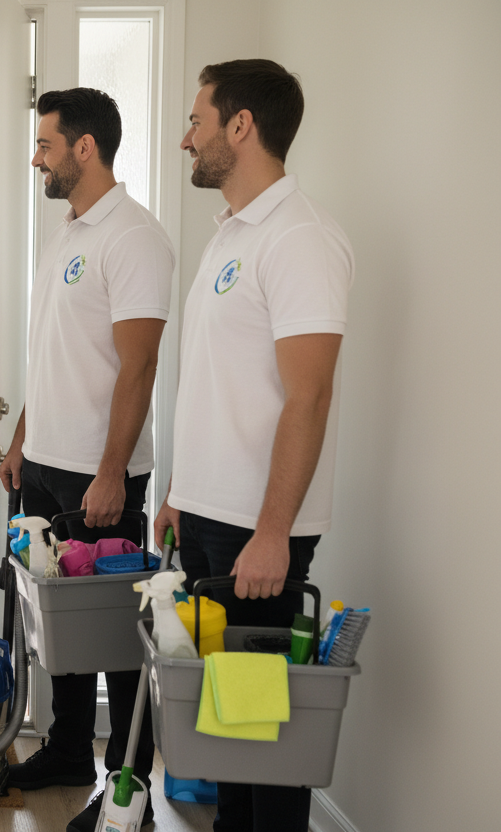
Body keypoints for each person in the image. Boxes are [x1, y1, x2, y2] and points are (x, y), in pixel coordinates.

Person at [154, 60, 354, 832]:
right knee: (224, 732)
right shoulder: (231, 235)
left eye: (198, 121)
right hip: (210, 518)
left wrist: (273, 532)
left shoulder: (300, 238)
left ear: (241, 127)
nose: (186, 138)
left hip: (256, 534)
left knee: (267, 742)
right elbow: (216, 382)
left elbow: (310, 395)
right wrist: (178, 490)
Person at [0, 88, 174, 832]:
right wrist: (22, 440)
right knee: (57, 628)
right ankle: (69, 749)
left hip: (97, 475)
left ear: (85, 148)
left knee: (113, 636)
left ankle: (126, 785)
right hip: (43, 464)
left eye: (45, 144)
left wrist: (111, 472)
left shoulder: (132, 238)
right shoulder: (66, 234)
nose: (36, 156)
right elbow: (56, 356)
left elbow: (138, 367)